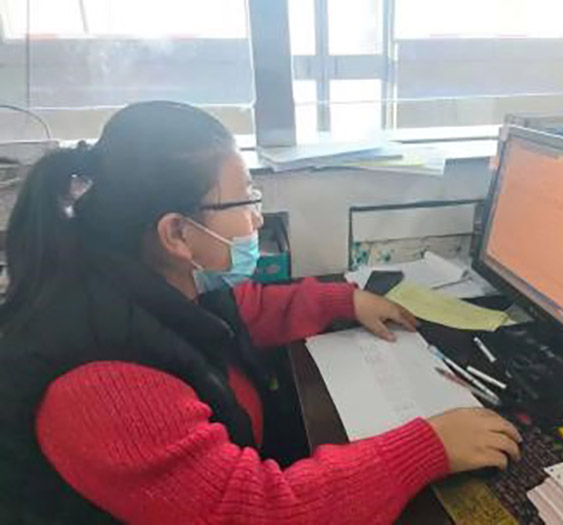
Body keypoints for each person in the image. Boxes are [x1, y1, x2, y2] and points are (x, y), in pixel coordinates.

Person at [0, 101, 521, 524]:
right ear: (176, 232)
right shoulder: (102, 389)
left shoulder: (143, 276)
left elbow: (241, 311)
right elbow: (261, 513)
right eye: (244, 200)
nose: (256, 218)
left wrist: (341, 300)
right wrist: (430, 447)